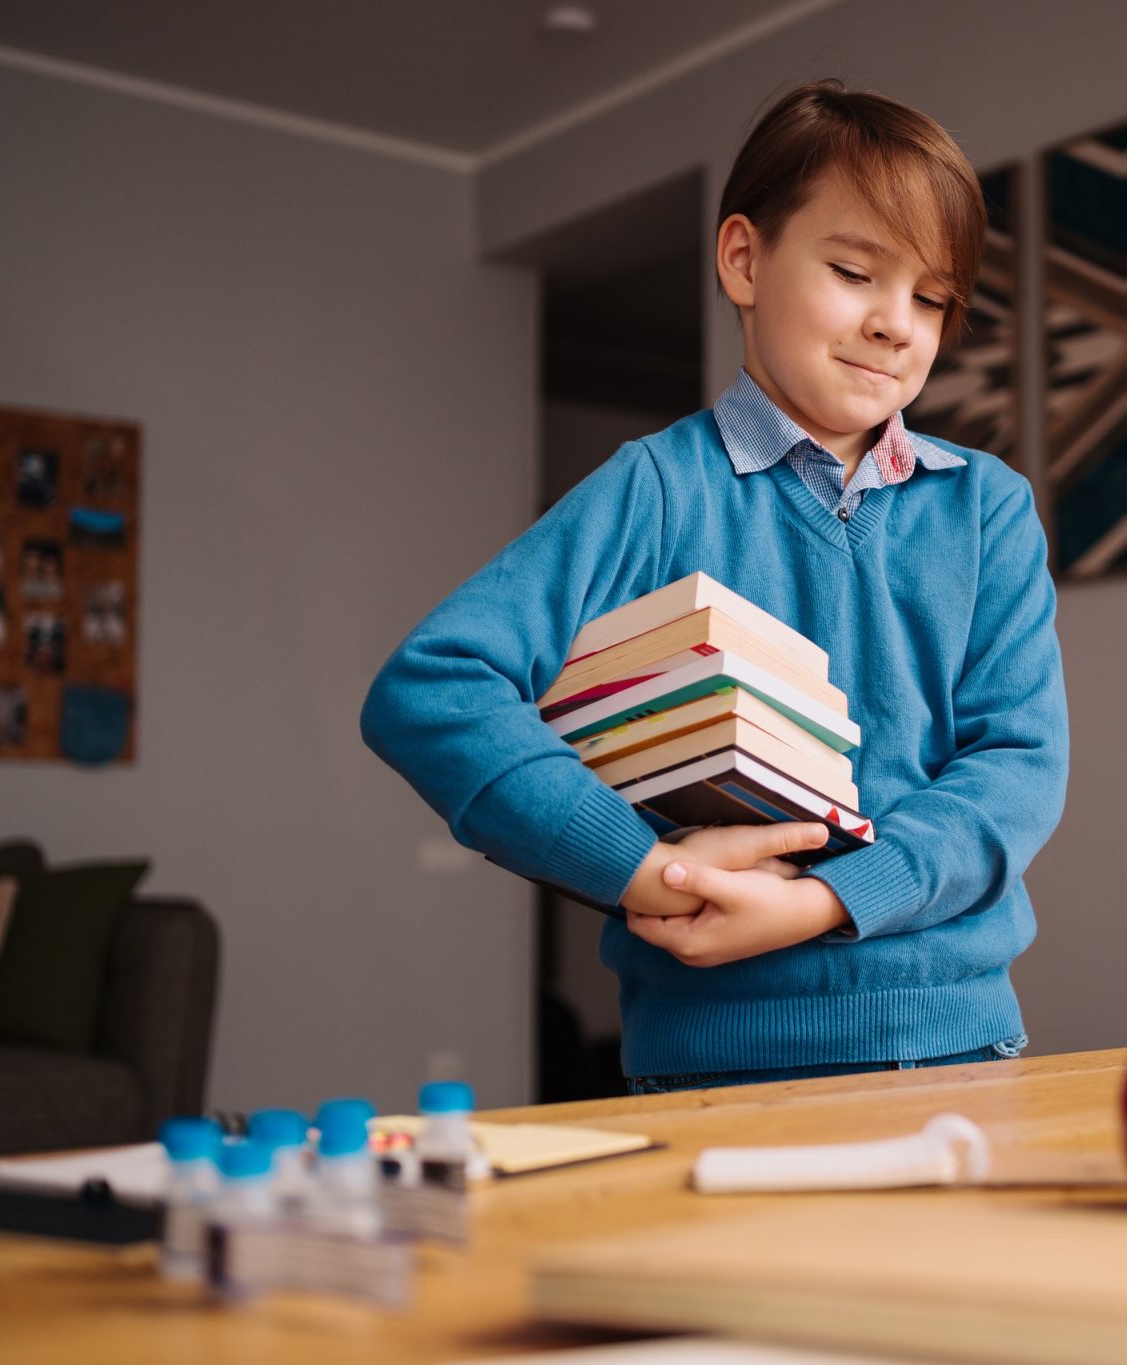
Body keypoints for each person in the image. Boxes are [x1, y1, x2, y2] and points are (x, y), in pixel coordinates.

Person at [361, 78, 1068, 1093]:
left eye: (931, 297)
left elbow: (1016, 771)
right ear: (743, 258)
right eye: (854, 272)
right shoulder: (653, 490)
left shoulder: (987, 509)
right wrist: (647, 871)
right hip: (711, 1072)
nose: (895, 324)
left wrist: (833, 900)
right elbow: (431, 689)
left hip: (955, 1050)